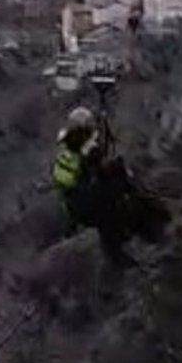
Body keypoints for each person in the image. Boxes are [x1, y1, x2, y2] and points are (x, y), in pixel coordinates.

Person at [51, 105, 140, 268]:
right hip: (81, 203)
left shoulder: (67, 144)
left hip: (71, 202)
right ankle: (118, 254)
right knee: (107, 210)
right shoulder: (84, 150)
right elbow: (100, 164)